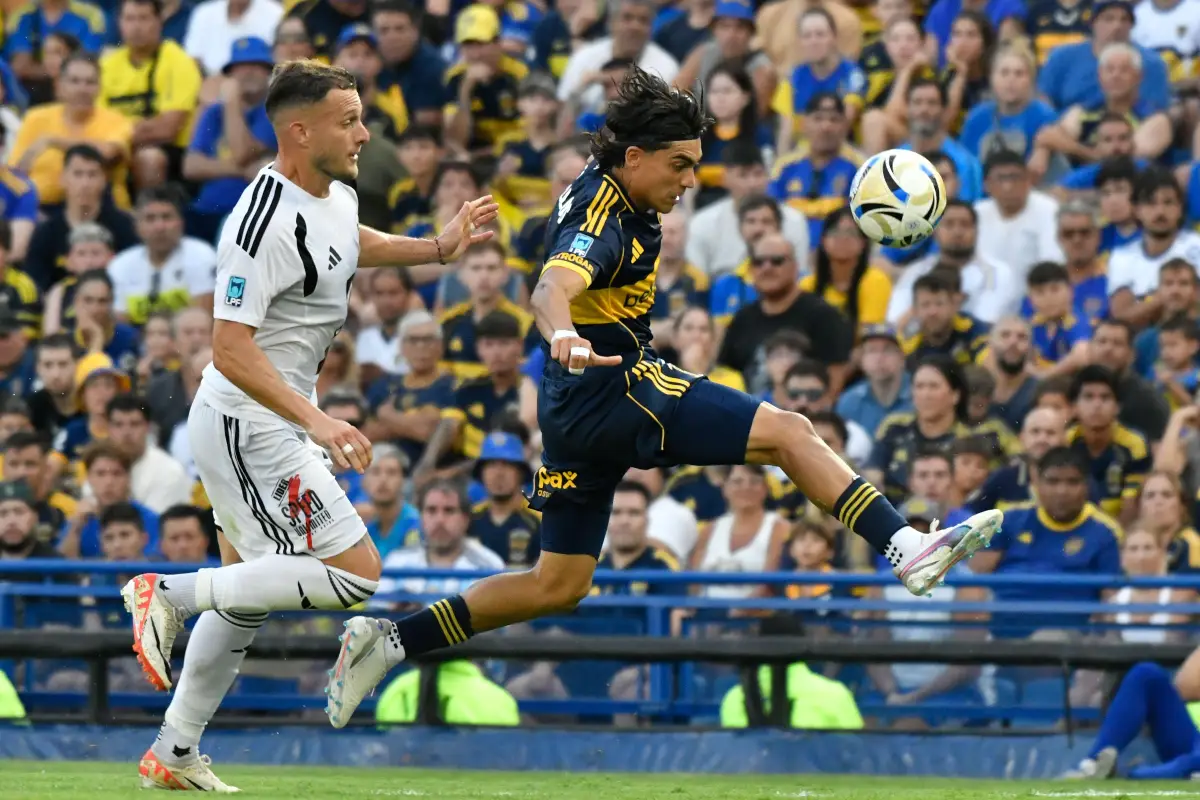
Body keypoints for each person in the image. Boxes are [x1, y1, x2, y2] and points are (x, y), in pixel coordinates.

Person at [327, 66, 1003, 727]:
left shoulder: (611, 184)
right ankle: (904, 546)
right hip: (618, 385)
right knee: (790, 432)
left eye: (696, 166)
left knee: (558, 583)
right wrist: (562, 333)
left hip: (572, 407)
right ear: (635, 157)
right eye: (679, 165)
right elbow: (550, 289)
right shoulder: (603, 217)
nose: (688, 181)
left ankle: (390, 642)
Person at [118, 60, 498, 791]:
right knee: (355, 576)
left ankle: (174, 751)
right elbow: (229, 348)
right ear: (299, 131)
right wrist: (317, 420)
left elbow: (346, 241)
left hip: (268, 422)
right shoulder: (258, 221)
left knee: (248, 592)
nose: (364, 133)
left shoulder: (333, 196)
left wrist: (436, 248)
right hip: (248, 422)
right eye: (348, 120)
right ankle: (166, 594)